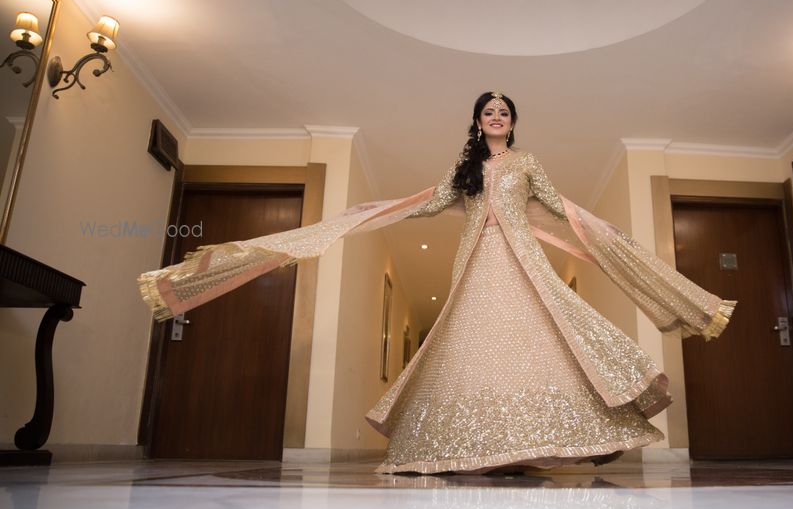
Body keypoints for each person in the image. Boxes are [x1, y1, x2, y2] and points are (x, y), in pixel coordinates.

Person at [138, 92, 735, 475]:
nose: (496, 118)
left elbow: (555, 205)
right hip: (475, 262)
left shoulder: (527, 164)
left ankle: (553, 438)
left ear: (513, 122)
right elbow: (437, 203)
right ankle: (473, 446)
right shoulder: (466, 166)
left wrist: (603, 236)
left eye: (504, 112)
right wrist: (383, 211)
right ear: (478, 121)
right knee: (469, 343)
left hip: (523, 259)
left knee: (544, 334)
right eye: (488, 112)